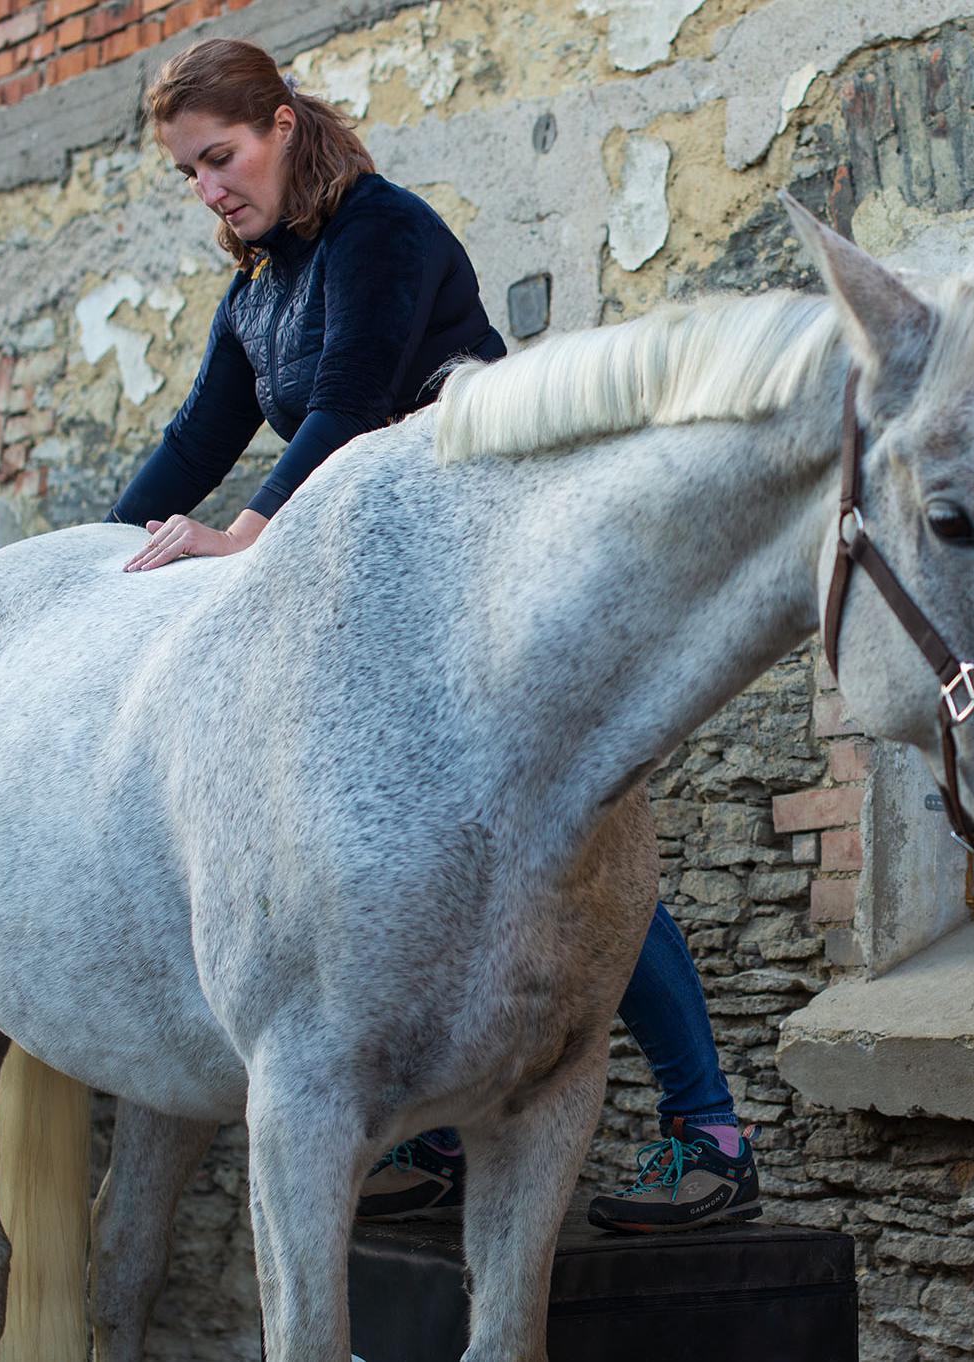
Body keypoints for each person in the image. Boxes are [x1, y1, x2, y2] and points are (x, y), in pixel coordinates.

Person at [109, 38, 759, 1232]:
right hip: (386, 590)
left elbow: (353, 406)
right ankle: (445, 1140)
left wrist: (244, 537)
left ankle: (706, 1131)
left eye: (221, 157)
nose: (208, 189)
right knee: (418, 868)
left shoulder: (382, 232)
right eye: (188, 174)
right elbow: (197, 436)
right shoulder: (257, 290)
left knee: (572, 847)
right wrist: (93, 567)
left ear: (283, 125)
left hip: (492, 563)